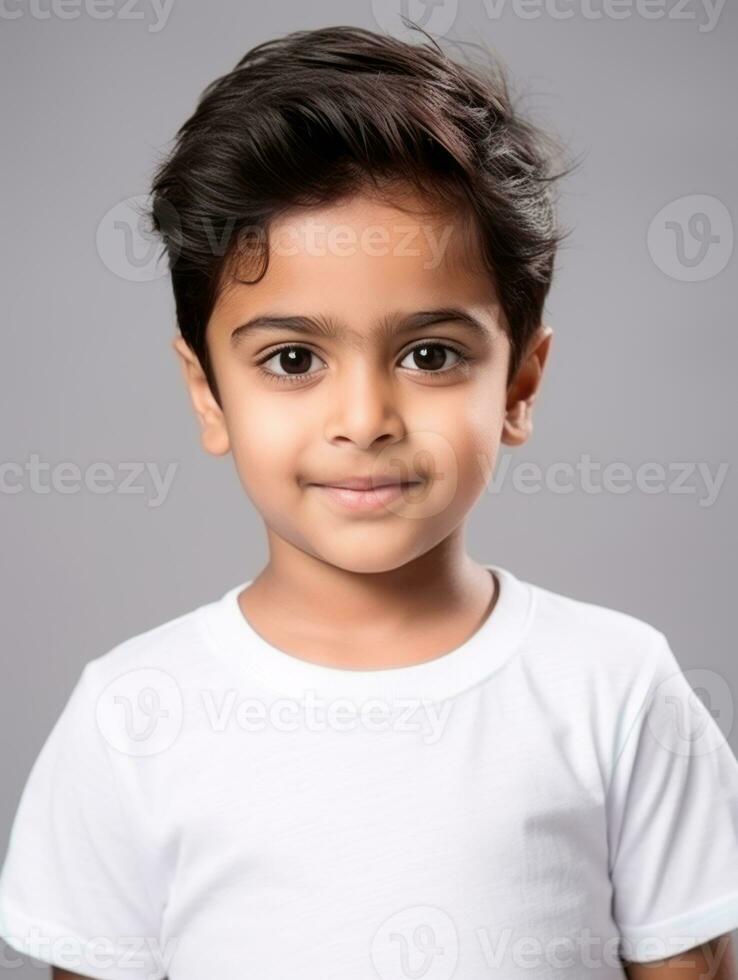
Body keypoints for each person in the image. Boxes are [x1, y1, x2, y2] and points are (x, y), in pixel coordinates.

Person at [1, 23, 737, 980]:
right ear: (207, 392)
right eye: (292, 360)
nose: (364, 418)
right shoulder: (132, 712)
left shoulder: (617, 688)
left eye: (430, 354)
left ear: (519, 384)